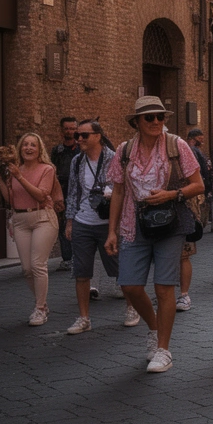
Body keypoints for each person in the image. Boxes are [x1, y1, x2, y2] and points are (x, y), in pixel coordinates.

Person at [105, 96, 205, 373]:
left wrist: (172, 194)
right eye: (149, 118)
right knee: (130, 285)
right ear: (136, 122)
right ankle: (153, 327)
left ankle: (163, 349)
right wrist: (111, 231)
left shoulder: (177, 145)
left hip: (169, 224)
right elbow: (119, 191)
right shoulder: (124, 151)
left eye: (160, 117)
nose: (156, 122)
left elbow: (198, 185)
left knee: (164, 287)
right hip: (132, 224)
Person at [63, 119, 125, 334]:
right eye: (77, 136)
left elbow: (121, 189)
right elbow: (72, 191)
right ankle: (83, 318)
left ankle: (132, 308)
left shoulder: (114, 158)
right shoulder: (77, 161)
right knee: (81, 272)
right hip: (83, 221)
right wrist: (70, 221)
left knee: (121, 270)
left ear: (98, 136)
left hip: (109, 222)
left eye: (84, 135)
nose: (79, 139)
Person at [0, 132, 59, 326]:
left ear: (39, 150)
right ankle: (43, 304)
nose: (29, 148)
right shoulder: (14, 169)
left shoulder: (47, 169)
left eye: (33, 145)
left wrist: (19, 177)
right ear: (20, 148)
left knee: (38, 264)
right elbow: (10, 199)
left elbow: (41, 195)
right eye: (25, 145)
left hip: (42, 217)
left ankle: (39, 309)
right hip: (20, 219)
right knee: (26, 269)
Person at [176, 128, 212, 312]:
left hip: (186, 207)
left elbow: (200, 180)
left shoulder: (186, 152)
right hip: (182, 208)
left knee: (184, 254)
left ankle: (184, 294)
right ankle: (172, 293)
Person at [50, 116, 80, 270]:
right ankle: (67, 258)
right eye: (67, 128)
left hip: (79, 192)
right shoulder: (57, 150)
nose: (70, 131)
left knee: (78, 224)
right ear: (62, 130)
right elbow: (51, 171)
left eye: (72, 128)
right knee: (63, 225)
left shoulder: (82, 148)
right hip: (62, 191)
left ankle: (79, 256)